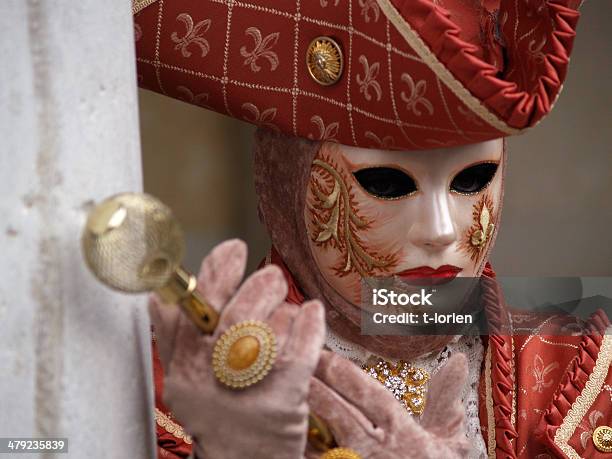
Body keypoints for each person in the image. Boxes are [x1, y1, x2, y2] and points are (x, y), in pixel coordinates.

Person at [134, 1, 612, 457]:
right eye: (386, 182)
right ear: (288, 184)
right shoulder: (175, 396)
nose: (440, 232)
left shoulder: (576, 377)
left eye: (472, 179)